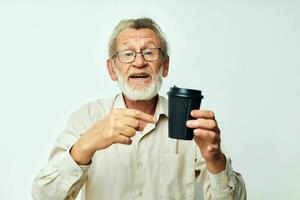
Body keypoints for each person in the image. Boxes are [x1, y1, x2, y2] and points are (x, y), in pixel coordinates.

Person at [32, 17, 246, 200]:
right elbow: (44, 195)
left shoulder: (189, 121)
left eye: (150, 53)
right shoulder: (86, 118)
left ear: (165, 66)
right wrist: (86, 145)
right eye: (127, 54)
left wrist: (215, 158)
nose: (139, 62)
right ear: (112, 69)